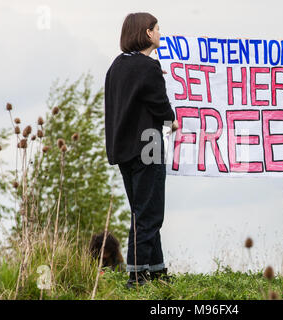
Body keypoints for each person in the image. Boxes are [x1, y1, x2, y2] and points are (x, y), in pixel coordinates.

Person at [104, 12, 178, 289]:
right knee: (149, 215)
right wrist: (172, 119)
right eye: (157, 29)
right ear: (147, 33)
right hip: (148, 145)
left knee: (142, 211)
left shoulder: (117, 66)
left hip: (123, 149)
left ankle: (156, 271)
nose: (160, 33)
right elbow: (159, 104)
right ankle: (136, 277)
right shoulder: (148, 67)